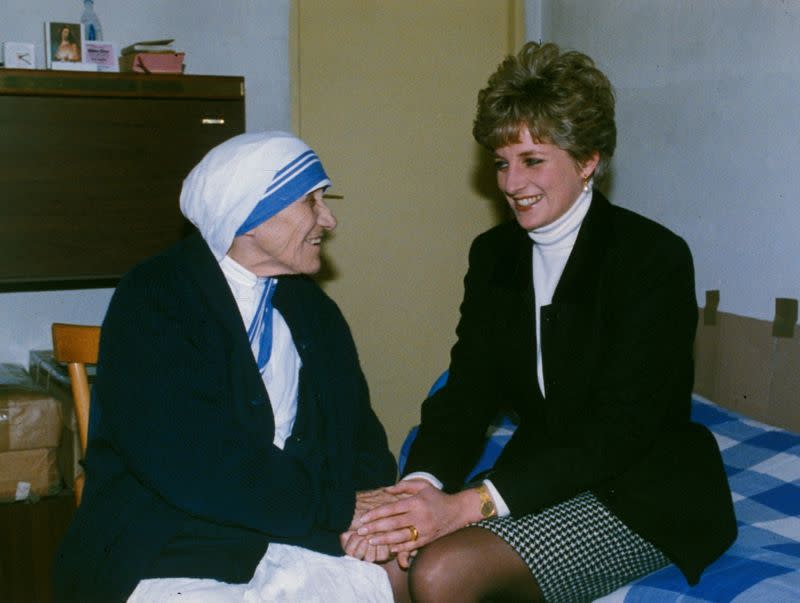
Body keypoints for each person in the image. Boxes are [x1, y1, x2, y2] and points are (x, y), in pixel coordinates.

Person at [352, 42, 737, 602]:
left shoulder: (651, 257)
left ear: (588, 161)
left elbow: (620, 429)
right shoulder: (493, 256)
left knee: (441, 572)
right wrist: (421, 486)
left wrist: (470, 504)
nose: (511, 184)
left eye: (533, 161)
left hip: (639, 489)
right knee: (390, 566)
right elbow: (468, 390)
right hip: (542, 474)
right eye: (502, 163)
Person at [52, 132, 397, 602]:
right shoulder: (157, 298)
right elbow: (196, 465)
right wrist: (338, 507)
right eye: (311, 202)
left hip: (292, 536)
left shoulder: (313, 311)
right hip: (170, 546)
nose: (329, 219)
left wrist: (374, 520)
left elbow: (362, 439)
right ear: (249, 217)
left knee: (406, 574)